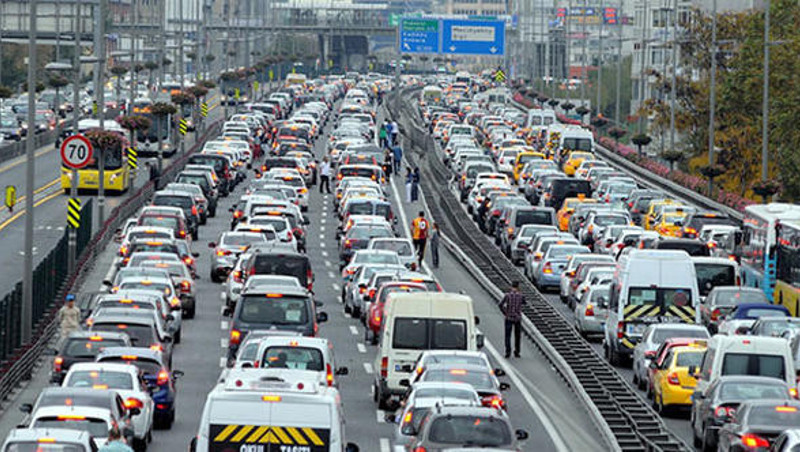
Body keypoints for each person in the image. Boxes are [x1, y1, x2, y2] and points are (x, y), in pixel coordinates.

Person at [499, 281, 524, 358]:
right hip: (517, 318)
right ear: (518, 287)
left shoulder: (507, 295)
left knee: (507, 336)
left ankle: (508, 352)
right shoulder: (521, 296)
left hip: (509, 317)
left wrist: (505, 312)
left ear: (511, 286)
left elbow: (500, 304)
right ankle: (517, 352)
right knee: (517, 336)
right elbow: (524, 302)